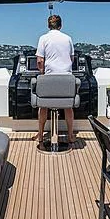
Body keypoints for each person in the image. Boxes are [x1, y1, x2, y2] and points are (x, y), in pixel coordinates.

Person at [33, 14, 76, 144]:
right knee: (68, 107)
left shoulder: (43, 38)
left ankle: (40, 135)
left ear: (48, 26)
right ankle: (70, 135)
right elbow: (71, 59)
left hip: (50, 78)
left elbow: (40, 61)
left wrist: (42, 73)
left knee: (43, 105)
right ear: (60, 26)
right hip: (66, 79)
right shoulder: (68, 38)